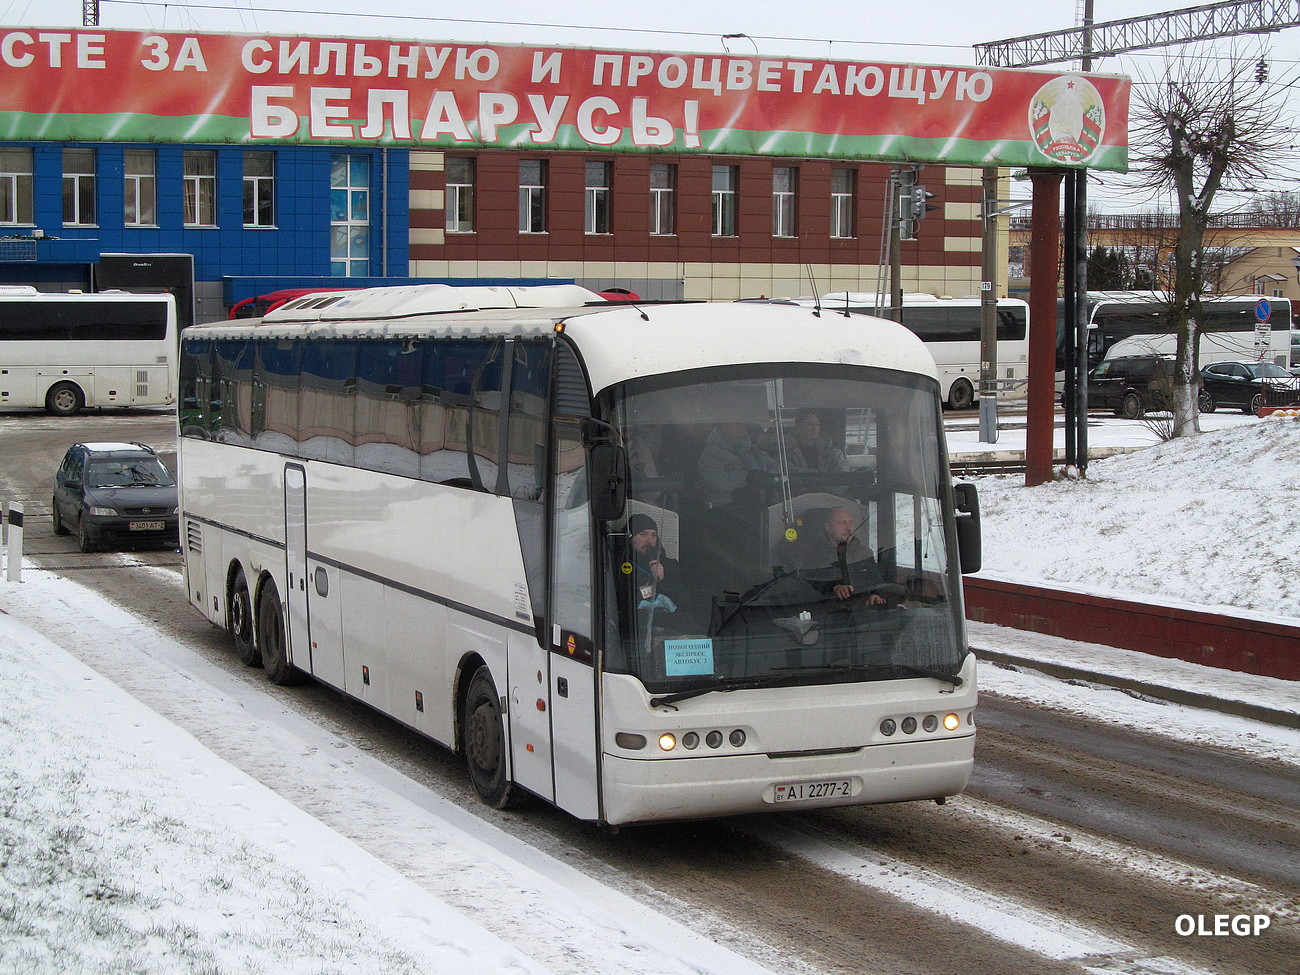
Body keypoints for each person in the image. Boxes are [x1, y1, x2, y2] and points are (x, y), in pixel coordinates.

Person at [791, 506, 886, 604]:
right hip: (829, 609)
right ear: (828, 527)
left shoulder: (864, 553)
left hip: (861, 610)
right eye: (842, 523)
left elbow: (876, 582)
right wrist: (834, 587)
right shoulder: (815, 555)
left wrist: (875, 595)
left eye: (851, 523)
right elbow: (809, 583)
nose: (848, 528)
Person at [697, 422, 778, 506]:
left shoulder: (752, 448)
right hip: (725, 507)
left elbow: (776, 465)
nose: (742, 429)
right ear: (723, 426)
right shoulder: (712, 452)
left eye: (743, 425)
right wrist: (748, 478)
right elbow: (715, 481)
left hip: (762, 503)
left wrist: (767, 477)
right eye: (737, 426)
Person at [785, 409, 849, 473]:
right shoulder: (786, 453)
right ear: (799, 427)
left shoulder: (833, 453)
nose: (814, 428)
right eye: (810, 424)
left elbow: (843, 473)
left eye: (817, 424)